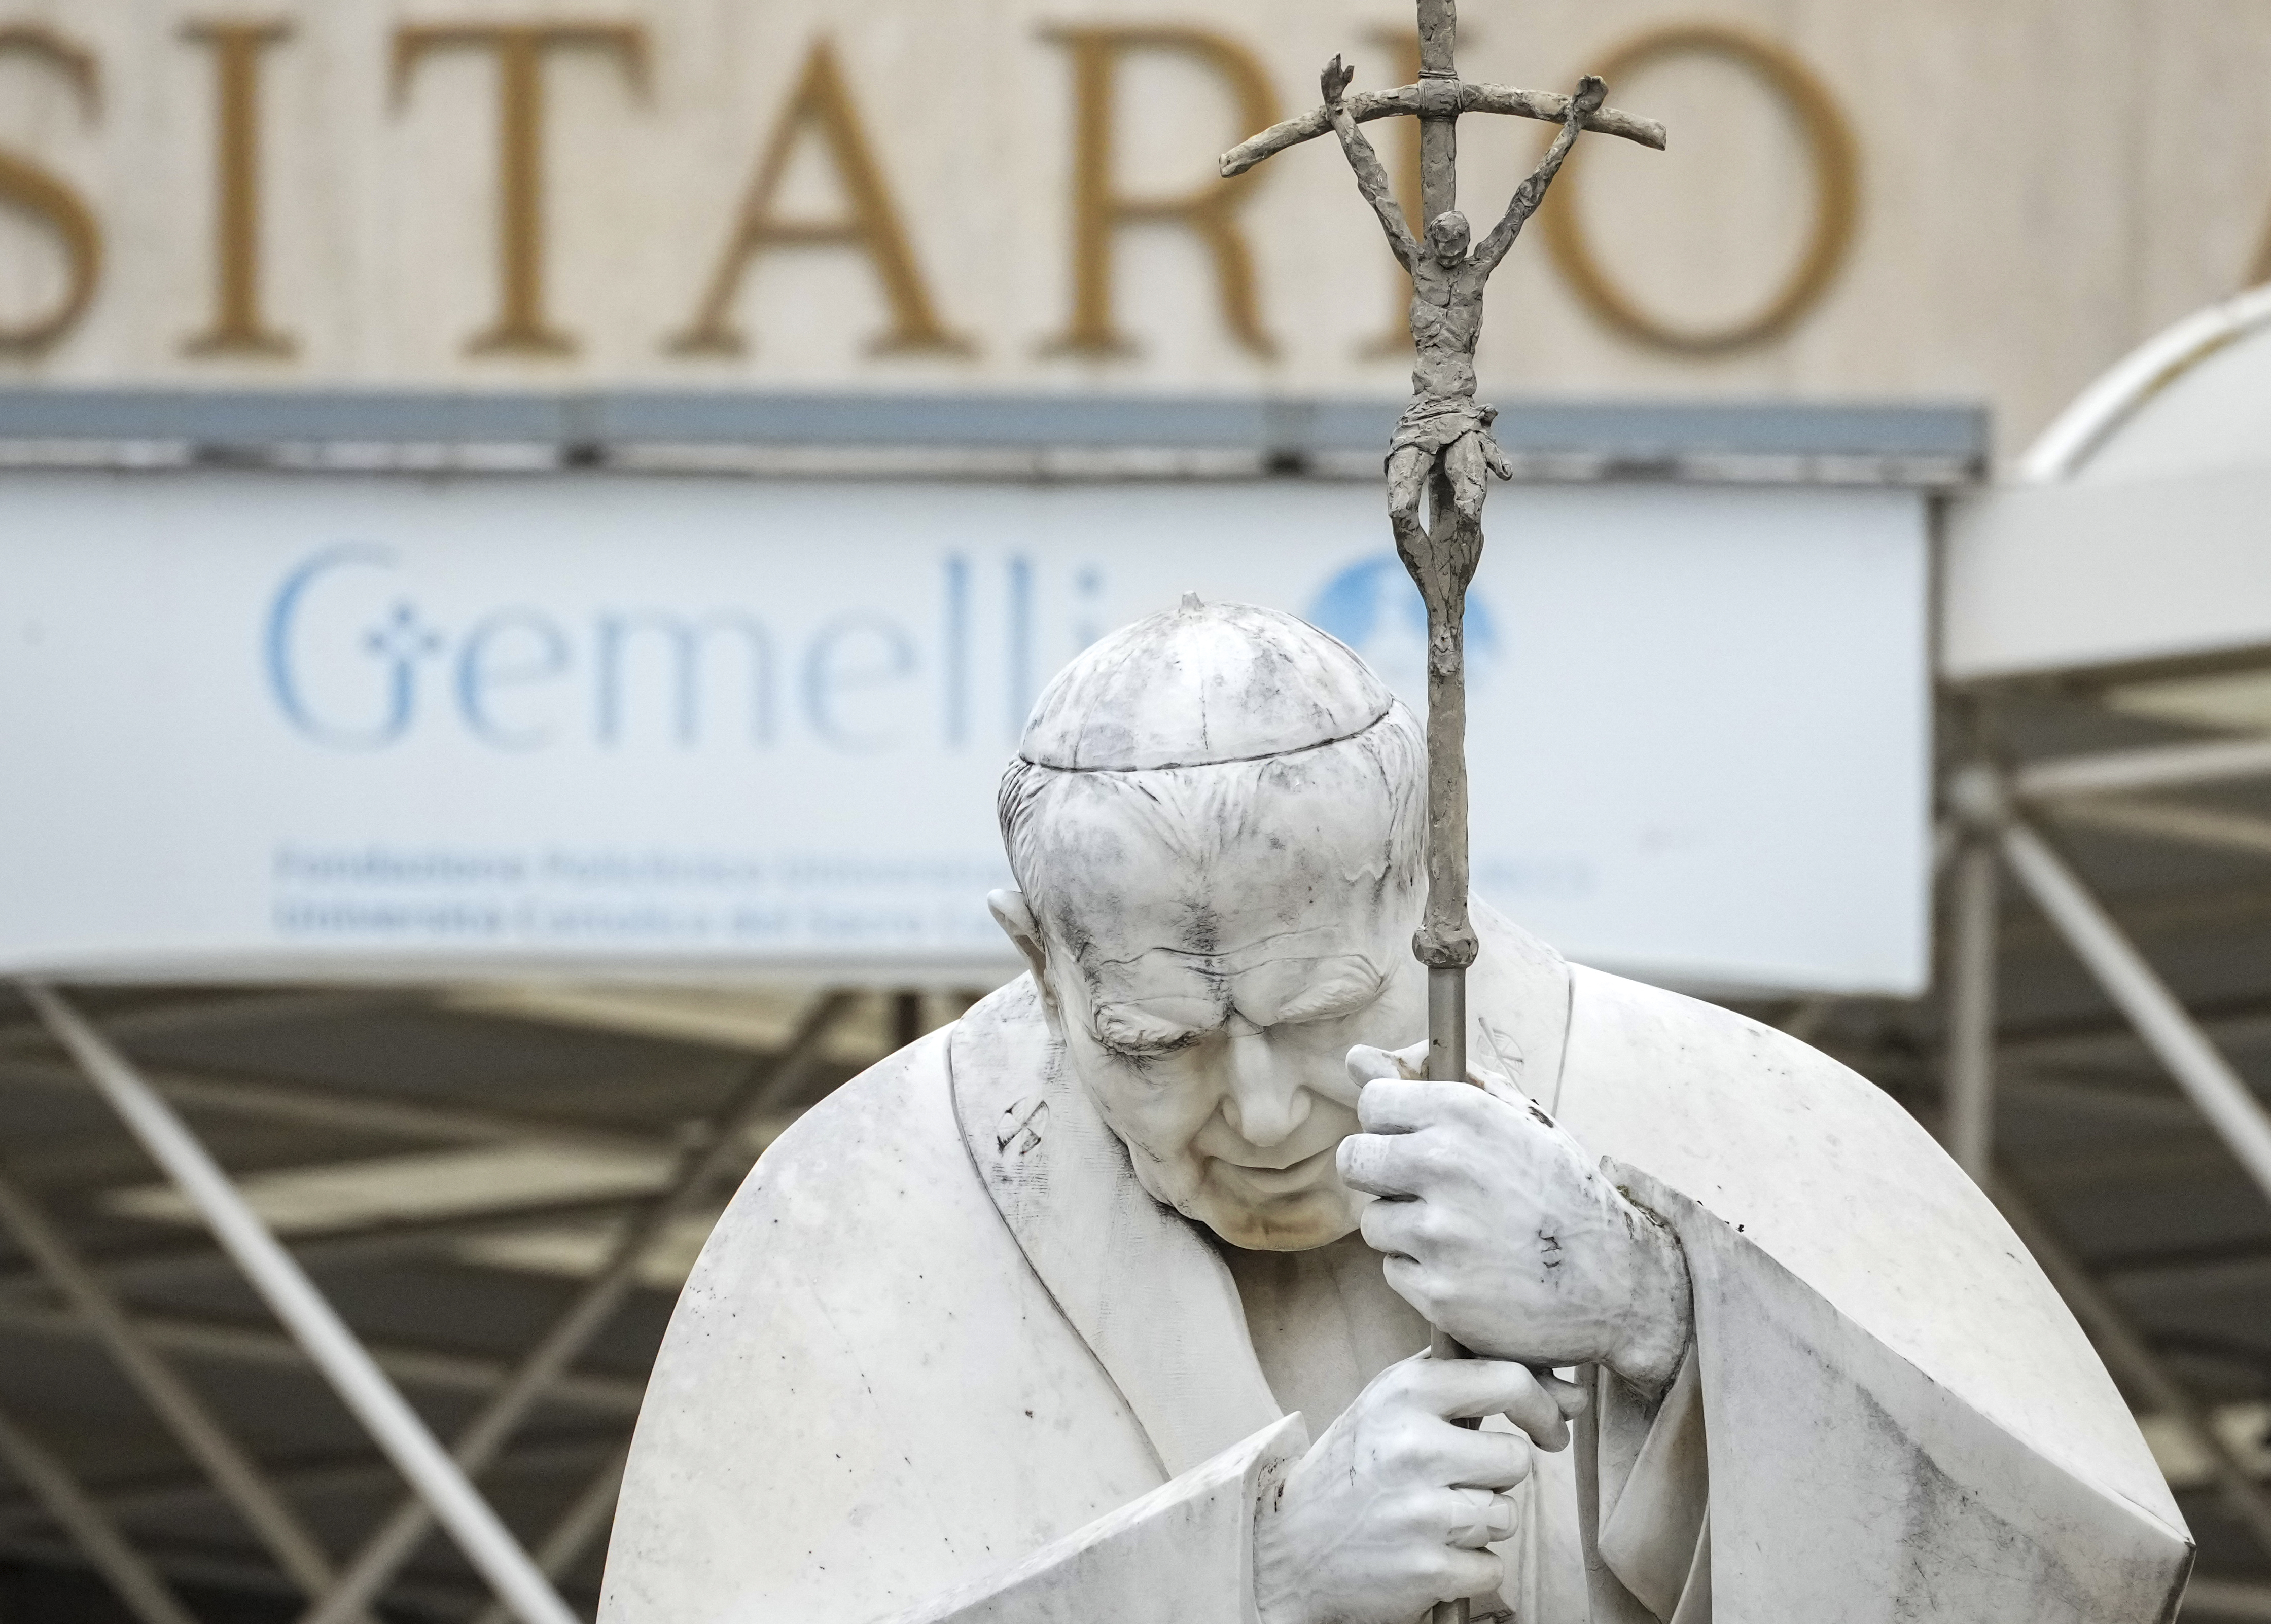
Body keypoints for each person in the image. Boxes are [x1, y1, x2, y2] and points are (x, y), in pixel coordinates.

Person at [601, 600, 2188, 1624]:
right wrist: (1256, 1576)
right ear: (1037, 956)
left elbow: (2086, 1585)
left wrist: (1668, 1320)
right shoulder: (845, 1220)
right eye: (1156, 1044)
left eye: (1311, 1015)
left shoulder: (1730, 1109)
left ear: (1432, 893)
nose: (1263, 1107)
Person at [1324, 62, 1603, 599]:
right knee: (1402, 509)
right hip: (1422, 409)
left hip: (1462, 412)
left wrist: (1573, 123)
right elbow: (1375, 186)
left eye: (1459, 240)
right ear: (1431, 240)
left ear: (1467, 243)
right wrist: (1339, 112)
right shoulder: (1417, 265)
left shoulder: (1477, 272)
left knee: (1471, 511)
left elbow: (1528, 198)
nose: (1450, 249)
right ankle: (1434, 595)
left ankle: (1452, 601)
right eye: (1442, 239)